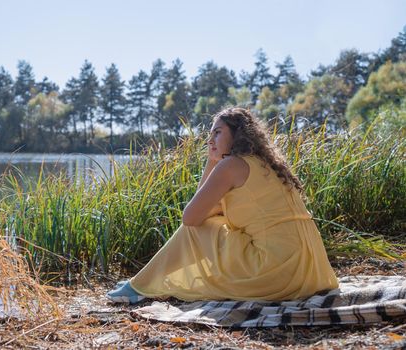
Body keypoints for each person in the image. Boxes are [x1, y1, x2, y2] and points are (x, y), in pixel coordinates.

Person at [107, 107, 339, 304]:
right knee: (214, 221)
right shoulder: (265, 164)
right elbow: (214, 210)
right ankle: (146, 281)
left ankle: (140, 287)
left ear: (238, 135)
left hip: (275, 272)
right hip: (310, 272)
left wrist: (211, 162)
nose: (210, 141)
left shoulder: (230, 166)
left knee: (196, 228)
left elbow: (190, 217)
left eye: (217, 133)